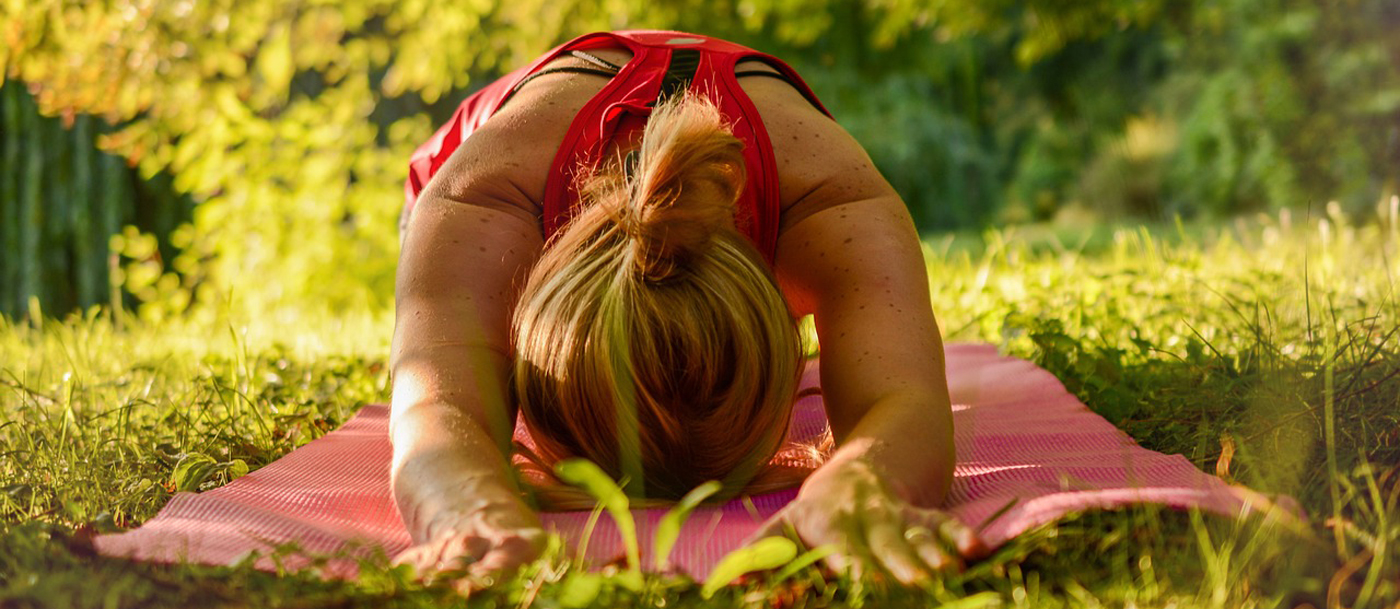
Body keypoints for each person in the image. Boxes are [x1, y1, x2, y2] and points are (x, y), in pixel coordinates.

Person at [389, 30, 986, 586]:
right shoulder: (483, 198)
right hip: (489, 157)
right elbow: (432, 404)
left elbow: (905, 401)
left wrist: (866, 482)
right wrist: (466, 504)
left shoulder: (832, 201)